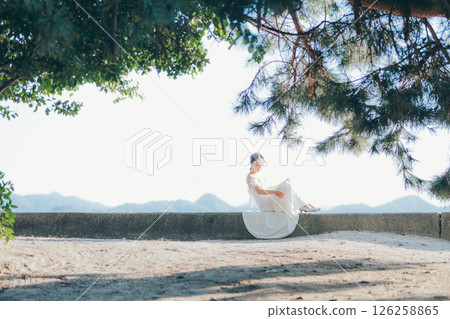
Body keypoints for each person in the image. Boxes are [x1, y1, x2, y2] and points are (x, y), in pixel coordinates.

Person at [246, 152, 320, 216]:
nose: (259, 167)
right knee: (285, 184)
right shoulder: (250, 176)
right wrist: (275, 192)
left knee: (287, 183)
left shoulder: (260, 175)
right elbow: (259, 191)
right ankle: (304, 206)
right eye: (257, 164)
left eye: (261, 165)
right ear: (251, 163)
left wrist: (282, 184)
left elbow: (269, 187)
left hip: (268, 198)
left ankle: (303, 205)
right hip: (264, 204)